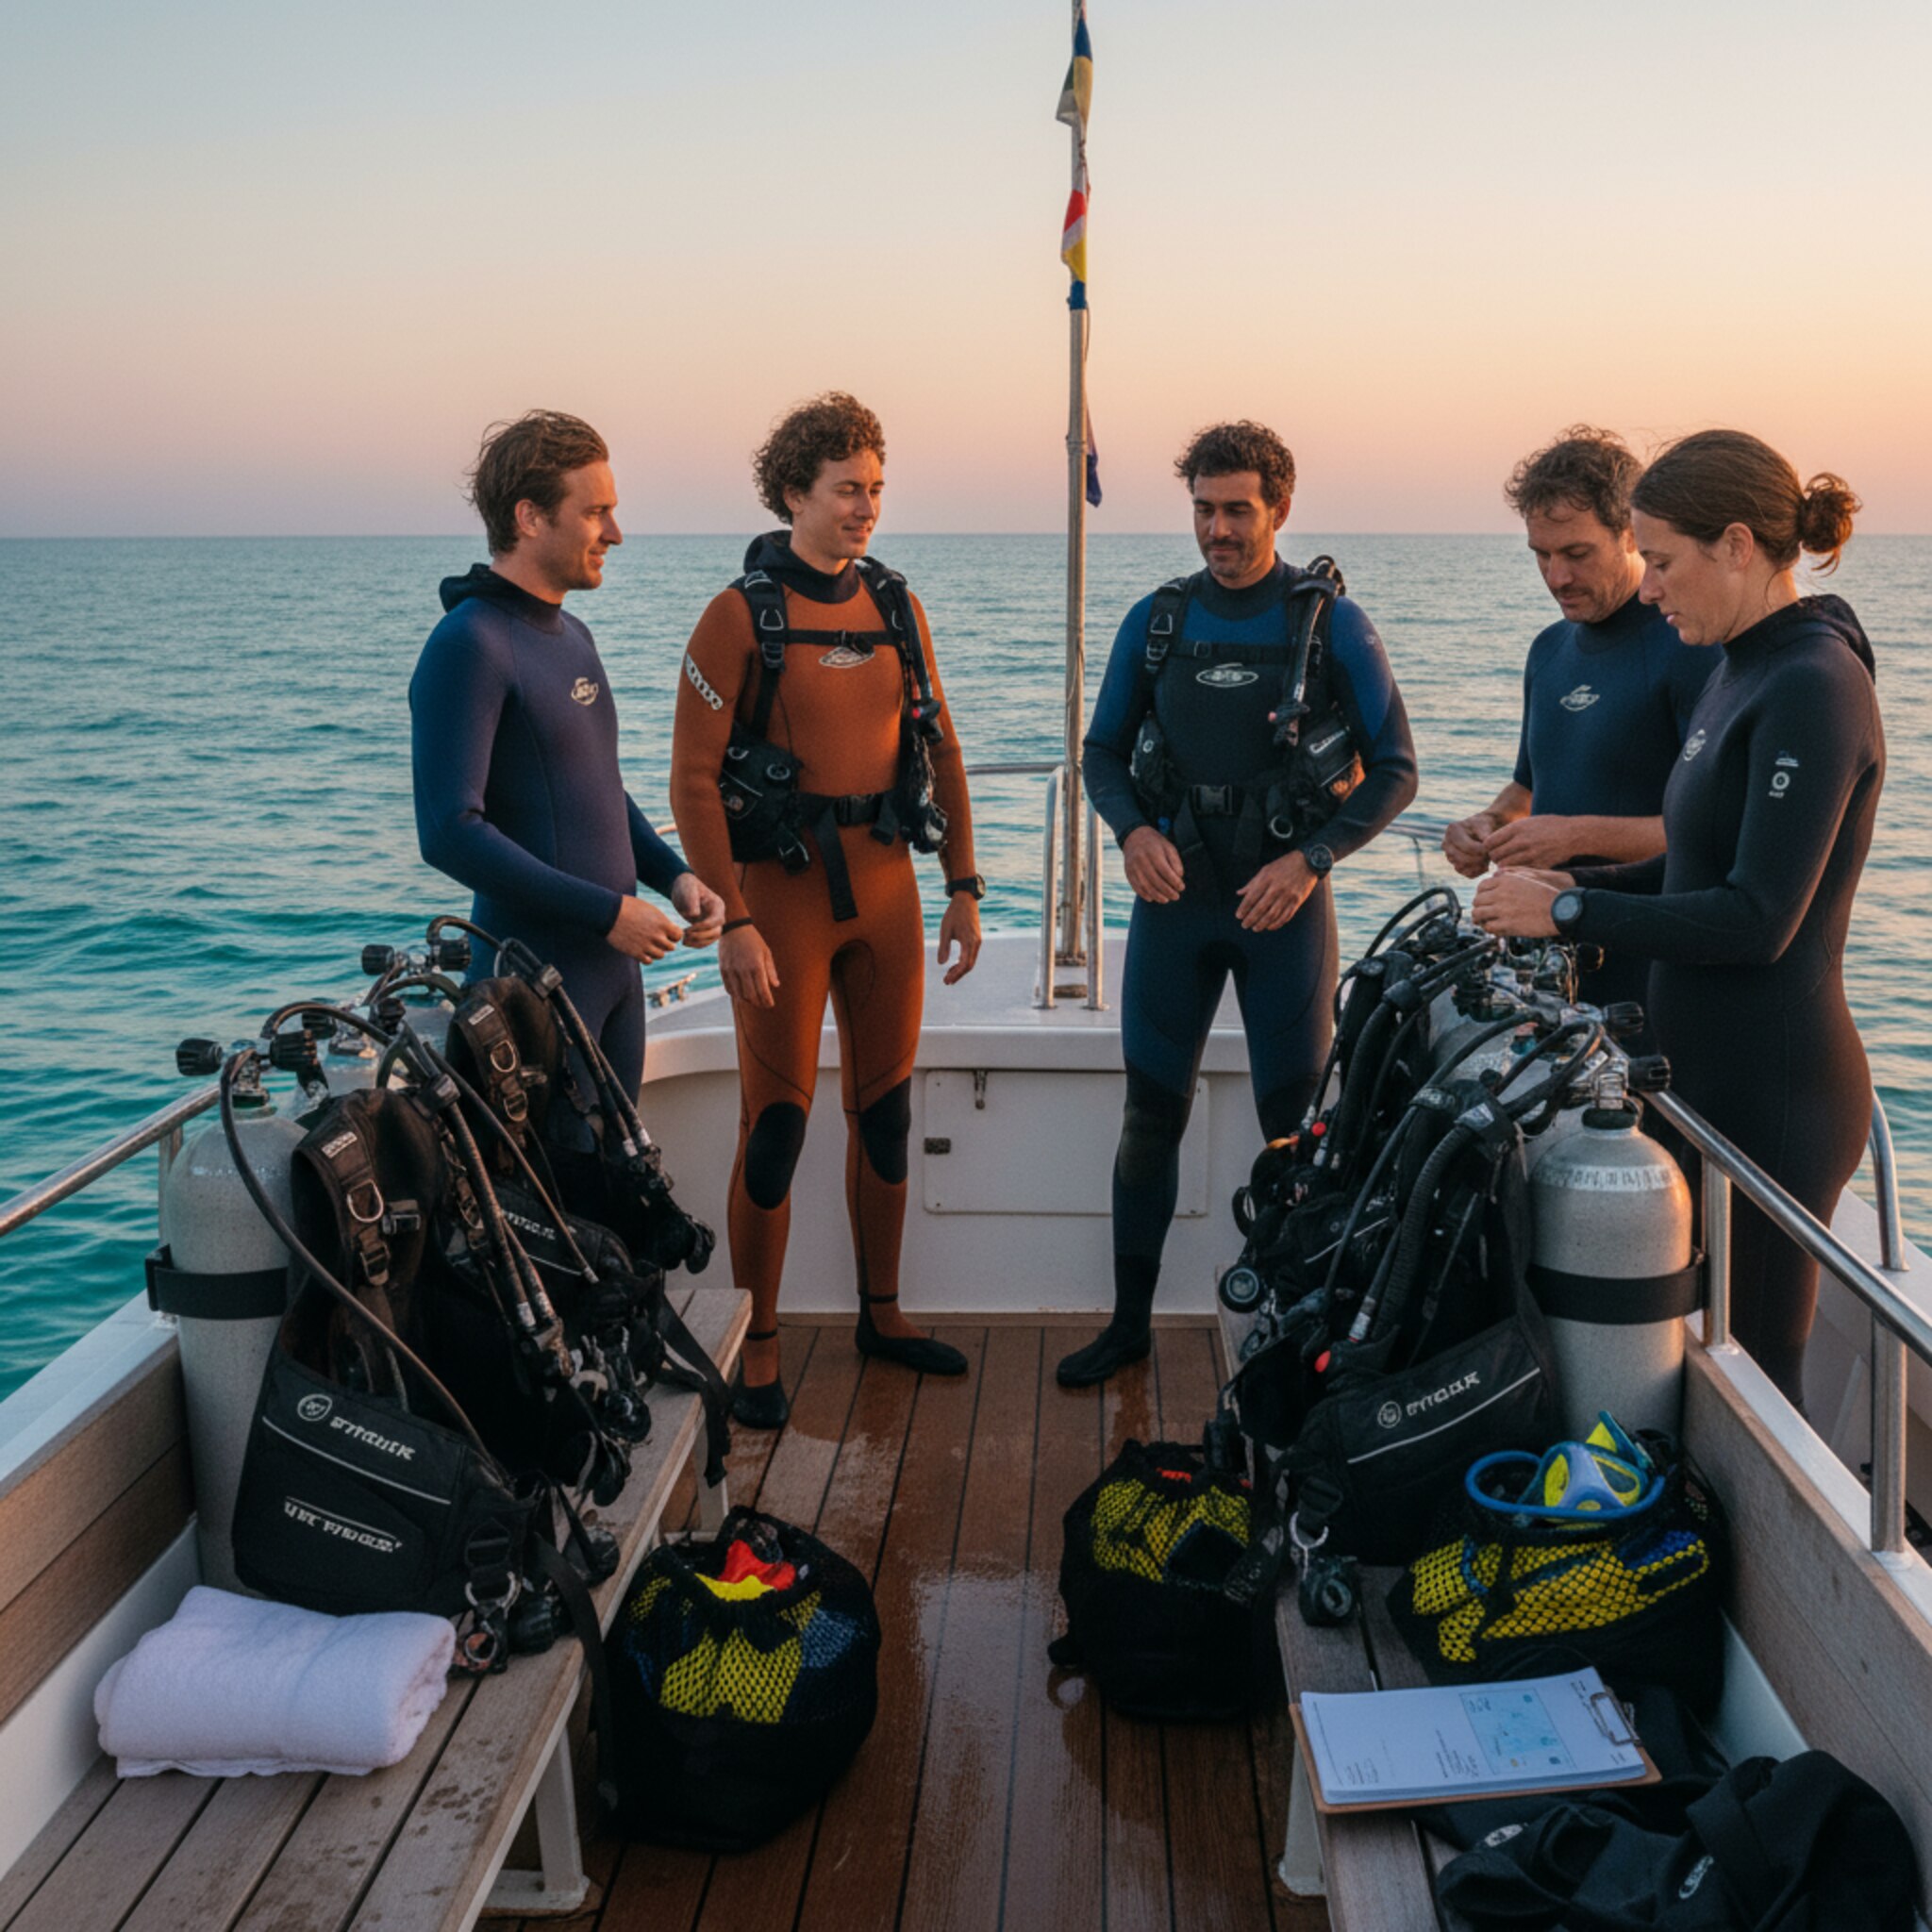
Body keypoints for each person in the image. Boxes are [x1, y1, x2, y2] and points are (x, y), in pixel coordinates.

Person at [1474, 429, 1880, 1407]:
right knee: (1684, 1355)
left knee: (1757, 1377)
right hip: (1691, 1072)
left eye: (1658, 560)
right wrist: (1554, 893)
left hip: (1774, 1091)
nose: (1647, 587)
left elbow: (1755, 919)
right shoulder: (1740, 663)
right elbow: (1690, 863)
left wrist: (1568, 905)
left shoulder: (1813, 684)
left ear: (1734, 544)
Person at [1065, 420, 1419, 1388]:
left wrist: (1308, 860)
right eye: (1202, 509)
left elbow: (1394, 771)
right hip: (1174, 900)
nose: (1217, 529)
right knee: (1147, 1118)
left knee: (1292, 1133)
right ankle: (1128, 1324)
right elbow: (1100, 753)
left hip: (1281, 911)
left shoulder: (1328, 623)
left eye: (1236, 510)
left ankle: (1287, 1337)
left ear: (1279, 509)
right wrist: (1132, 833)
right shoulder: (1160, 618)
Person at [669, 392, 982, 1427]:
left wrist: (965, 886)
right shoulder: (736, 614)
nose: (866, 508)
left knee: (885, 1112)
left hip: (887, 891)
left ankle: (880, 1315)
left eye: (876, 489)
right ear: (793, 492)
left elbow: (938, 744)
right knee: (777, 1124)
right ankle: (753, 1346)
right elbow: (691, 782)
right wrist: (735, 922)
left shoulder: (895, 603)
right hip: (784, 903)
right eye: (846, 489)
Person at [410, 410, 724, 1102]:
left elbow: (597, 787)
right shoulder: (471, 644)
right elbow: (448, 832)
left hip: (612, 977)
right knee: (550, 1204)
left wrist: (673, 877)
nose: (615, 533)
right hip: (531, 991)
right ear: (529, 517)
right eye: (596, 513)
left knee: (617, 1196)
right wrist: (610, 914)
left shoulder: (572, 635)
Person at [1441, 426, 1711, 1024]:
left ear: (1630, 536)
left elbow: (1710, 835)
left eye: (1577, 554)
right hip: (1541, 964)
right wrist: (1485, 825)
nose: (1556, 576)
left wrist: (1570, 835)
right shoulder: (1548, 650)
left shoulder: (1688, 646)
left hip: (1649, 969)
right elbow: (1527, 789)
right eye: (1541, 554)